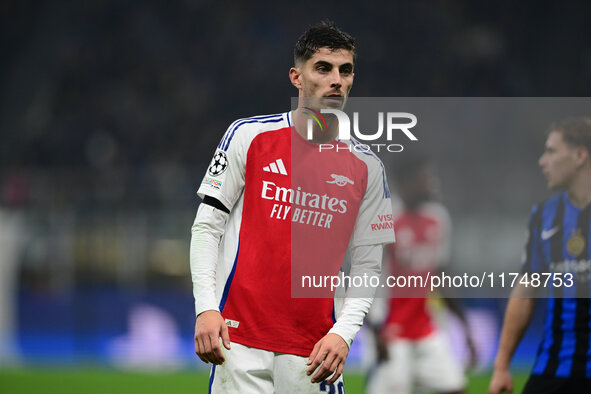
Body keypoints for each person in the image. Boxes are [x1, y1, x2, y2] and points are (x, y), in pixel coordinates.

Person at [190, 21, 395, 393]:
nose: (337, 79)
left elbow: (368, 265)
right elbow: (207, 227)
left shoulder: (369, 168)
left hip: (315, 351)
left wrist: (344, 335)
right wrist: (206, 307)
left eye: (345, 71)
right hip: (238, 344)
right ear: (296, 77)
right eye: (323, 68)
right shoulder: (248, 137)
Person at [489, 118, 591, 394]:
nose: (542, 161)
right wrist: (501, 366)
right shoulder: (544, 216)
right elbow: (526, 289)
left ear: (580, 155)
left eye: (552, 151)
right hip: (553, 369)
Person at [367, 155, 476, 394]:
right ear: (407, 182)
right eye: (426, 178)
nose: (432, 183)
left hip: (425, 328)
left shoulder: (437, 219)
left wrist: (465, 328)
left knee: (455, 388)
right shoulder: (385, 218)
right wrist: (374, 331)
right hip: (391, 331)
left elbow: (441, 276)